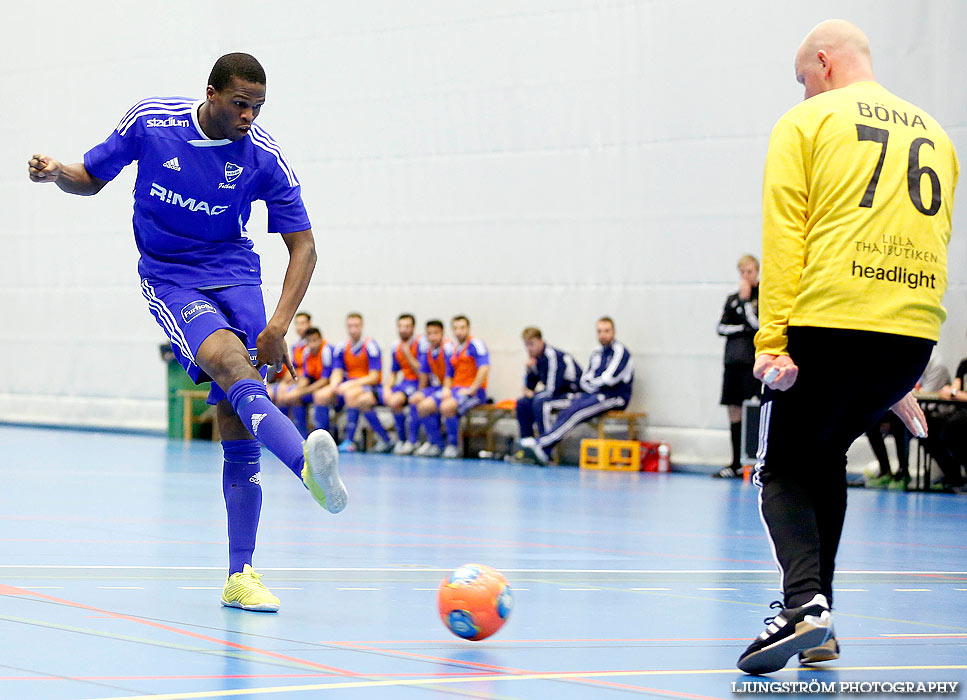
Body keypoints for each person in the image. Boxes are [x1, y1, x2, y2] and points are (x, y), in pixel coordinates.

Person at [28, 53, 349, 612]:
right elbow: (90, 178)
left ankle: (240, 575)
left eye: (259, 107)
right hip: (173, 278)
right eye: (241, 104)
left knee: (235, 406)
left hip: (235, 273)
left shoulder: (262, 157)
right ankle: (304, 466)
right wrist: (58, 172)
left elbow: (305, 245)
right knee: (228, 362)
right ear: (212, 93)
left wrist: (278, 324)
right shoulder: (153, 123)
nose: (250, 115)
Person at [738, 20, 958, 675]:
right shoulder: (936, 134)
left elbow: (785, 235)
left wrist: (771, 340)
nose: (803, 92)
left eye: (803, 78)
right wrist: (900, 373)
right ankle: (821, 624)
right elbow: (933, 239)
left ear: (825, 63)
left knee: (778, 471)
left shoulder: (805, 124)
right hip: (911, 332)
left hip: (829, 321)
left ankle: (801, 606)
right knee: (822, 458)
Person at [519, 317, 634, 466]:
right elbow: (586, 377)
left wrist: (590, 385)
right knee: (567, 408)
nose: (603, 335)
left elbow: (608, 379)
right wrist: (529, 370)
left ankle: (541, 444)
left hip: (614, 396)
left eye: (607, 331)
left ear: (614, 332)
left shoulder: (621, 352)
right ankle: (537, 447)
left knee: (575, 411)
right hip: (593, 394)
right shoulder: (597, 352)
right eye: (599, 331)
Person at [316, 313, 395, 453]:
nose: (353, 329)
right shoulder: (342, 347)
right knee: (321, 395)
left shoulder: (370, 346)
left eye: (356, 326)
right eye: (350, 326)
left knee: (351, 395)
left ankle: (350, 441)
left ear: (362, 326)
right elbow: (337, 371)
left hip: (367, 386)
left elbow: (374, 377)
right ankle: (320, 439)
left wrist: (350, 384)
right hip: (348, 384)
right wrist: (334, 384)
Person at [415, 315, 489, 459]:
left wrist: (472, 389)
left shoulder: (475, 344)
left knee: (446, 407)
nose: (458, 332)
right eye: (455, 328)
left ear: (468, 328)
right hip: (456, 389)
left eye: (462, 328)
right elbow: (449, 374)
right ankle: (436, 444)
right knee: (423, 406)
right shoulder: (456, 349)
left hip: (474, 393)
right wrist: (446, 389)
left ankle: (453, 446)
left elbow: (484, 368)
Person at [714, 255, 761, 478]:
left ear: (757, 272)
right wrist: (741, 326)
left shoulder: (763, 296)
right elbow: (721, 328)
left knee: (759, 409)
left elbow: (757, 326)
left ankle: (761, 461)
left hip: (753, 364)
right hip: (733, 362)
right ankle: (735, 463)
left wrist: (745, 304)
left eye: (750, 271)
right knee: (734, 410)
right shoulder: (731, 298)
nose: (746, 276)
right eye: (742, 272)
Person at [514, 327, 582, 451]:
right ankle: (527, 447)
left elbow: (552, 389)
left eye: (532, 344)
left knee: (541, 403)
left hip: (573, 394)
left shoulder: (553, 356)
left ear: (541, 341)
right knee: (522, 403)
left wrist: (533, 395)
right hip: (556, 394)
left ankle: (545, 449)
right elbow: (529, 387)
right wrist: (529, 370)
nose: (529, 348)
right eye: (526, 345)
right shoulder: (536, 359)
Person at [274, 327, 334, 438]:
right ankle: (300, 436)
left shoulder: (326, 351)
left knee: (319, 396)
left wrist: (302, 391)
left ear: (320, 339)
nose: (313, 345)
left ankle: (322, 436)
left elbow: (325, 380)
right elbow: (306, 377)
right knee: (291, 396)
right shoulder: (307, 352)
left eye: (315, 341)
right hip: (315, 385)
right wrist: (297, 390)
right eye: (310, 342)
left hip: (328, 386)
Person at [408, 320, 455, 456]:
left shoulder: (448, 348)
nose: (433, 337)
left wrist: (446, 389)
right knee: (415, 399)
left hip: (449, 386)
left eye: (436, 333)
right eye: (429, 334)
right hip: (435, 387)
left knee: (425, 406)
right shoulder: (427, 350)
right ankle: (414, 441)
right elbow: (424, 374)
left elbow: (450, 373)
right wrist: (421, 391)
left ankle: (438, 443)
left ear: (442, 333)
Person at [382, 314, 428, 454]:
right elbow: (394, 372)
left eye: (407, 327)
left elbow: (422, 370)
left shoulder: (421, 343)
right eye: (401, 326)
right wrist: (387, 388)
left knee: (402, 401)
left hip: (418, 382)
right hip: (405, 382)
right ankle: (401, 440)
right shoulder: (396, 346)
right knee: (390, 399)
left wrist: (408, 353)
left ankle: (412, 441)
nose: (403, 330)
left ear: (413, 328)